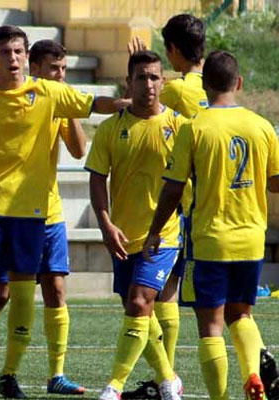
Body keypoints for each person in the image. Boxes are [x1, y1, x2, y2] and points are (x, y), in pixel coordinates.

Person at [0, 25, 129, 398]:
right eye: (6, 52)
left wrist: (125, 103)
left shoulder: (49, 93)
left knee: (25, 293)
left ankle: (10, 374)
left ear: (26, 57)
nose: (13, 58)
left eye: (19, 51)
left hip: (32, 211)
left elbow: (92, 106)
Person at [0, 39, 87, 397]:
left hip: (46, 211)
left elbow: (79, 149)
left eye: (65, 70)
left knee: (54, 289)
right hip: (2, 207)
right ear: (35, 67)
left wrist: (64, 101)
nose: (61, 76)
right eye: (54, 69)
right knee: (0, 292)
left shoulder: (53, 100)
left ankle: (55, 374)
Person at [142, 50, 279, 400]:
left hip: (210, 240)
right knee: (241, 314)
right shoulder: (261, 126)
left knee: (211, 327)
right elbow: (277, 181)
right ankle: (254, 378)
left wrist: (156, 229)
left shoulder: (195, 127)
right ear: (239, 83)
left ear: (204, 86)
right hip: (251, 239)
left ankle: (220, 398)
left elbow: (173, 188)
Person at [85, 50, 185, 400]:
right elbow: (97, 178)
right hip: (123, 235)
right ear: (129, 82)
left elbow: (193, 178)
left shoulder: (179, 126)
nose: (148, 84)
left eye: (155, 77)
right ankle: (168, 379)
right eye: (141, 77)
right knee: (140, 312)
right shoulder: (112, 129)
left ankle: (114, 386)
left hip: (164, 235)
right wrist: (105, 223)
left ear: (164, 81)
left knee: (140, 302)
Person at [122, 14, 208, 399]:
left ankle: (165, 378)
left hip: (181, 201)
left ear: (172, 50)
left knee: (152, 296)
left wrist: (138, 70)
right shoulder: (214, 82)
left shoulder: (175, 91)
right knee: (169, 291)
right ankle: (165, 380)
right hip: (212, 199)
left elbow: (139, 105)